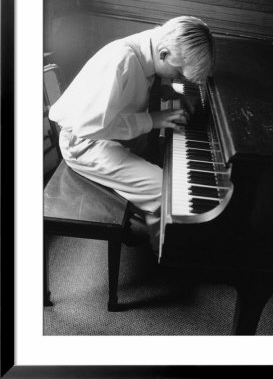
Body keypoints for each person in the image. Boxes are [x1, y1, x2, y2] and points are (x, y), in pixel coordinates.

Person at [49, 16, 214, 253]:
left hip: (113, 135)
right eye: (177, 73)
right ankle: (169, 248)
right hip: (85, 143)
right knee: (167, 190)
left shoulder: (153, 43)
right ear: (164, 54)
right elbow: (90, 126)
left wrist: (169, 91)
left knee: (165, 166)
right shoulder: (122, 60)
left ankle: (149, 216)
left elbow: (135, 88)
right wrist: (152, 119)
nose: (177, 78)